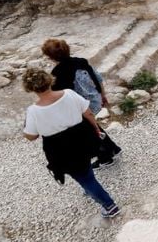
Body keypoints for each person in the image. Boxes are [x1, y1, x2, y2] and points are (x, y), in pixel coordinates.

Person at [22, 67, 121, 218]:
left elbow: (31, 136)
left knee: (83, 177)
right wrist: (96, 130)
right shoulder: (69, 93)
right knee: (84, 168)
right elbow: (87, 113)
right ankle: (89, 188)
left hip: (60, 148)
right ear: (49, 80)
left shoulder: (33, 111)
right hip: (82, 138)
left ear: (30, 88)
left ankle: (110, 206)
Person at [41, 39, 121, 169]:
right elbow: (97, 77)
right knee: (93, 125)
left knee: (90, 130)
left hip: (80, 107)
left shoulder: (57, 73)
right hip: (95, 99)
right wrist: (102, 94)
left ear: (50, 57)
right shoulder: (81, 61)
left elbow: (59, 96)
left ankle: (105, 157)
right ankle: (113, 148)